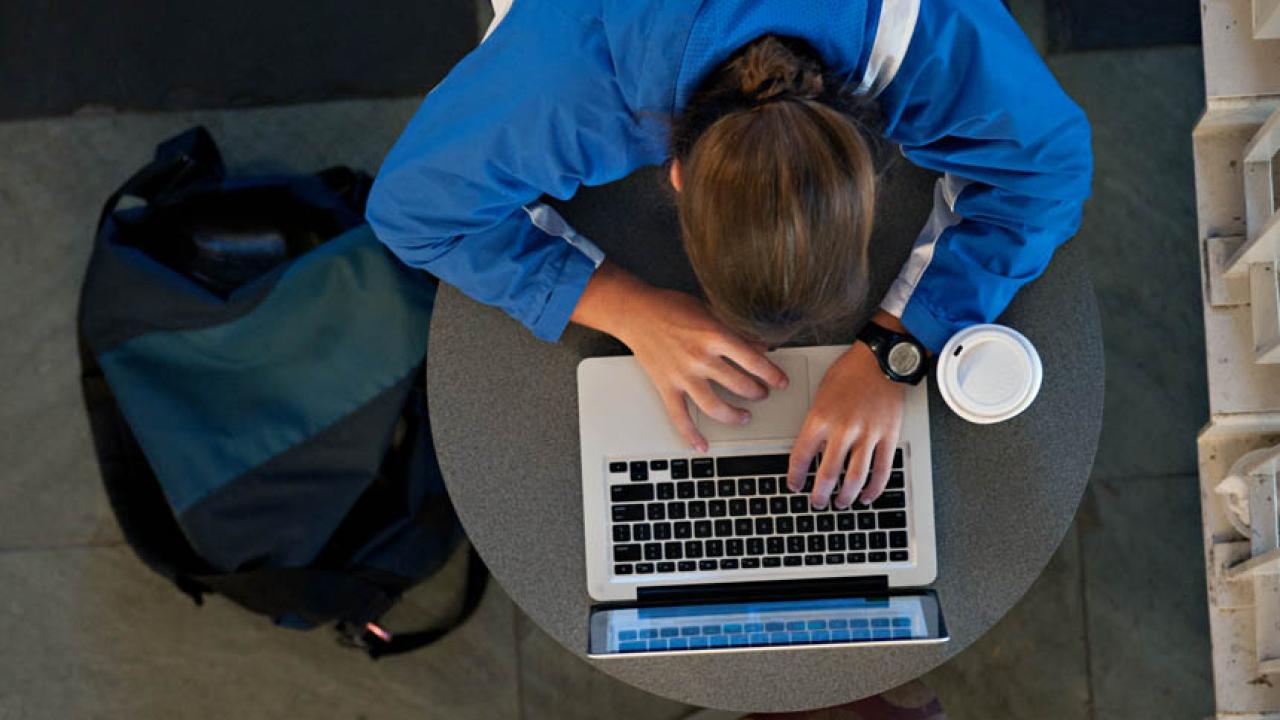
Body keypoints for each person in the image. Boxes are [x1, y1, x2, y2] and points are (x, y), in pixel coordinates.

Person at [366, 0, 1092, 515]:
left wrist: (897, 346)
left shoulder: (927, 23)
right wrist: (627, 307)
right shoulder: (564, 77)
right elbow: (413, 211)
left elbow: (1050, 165)